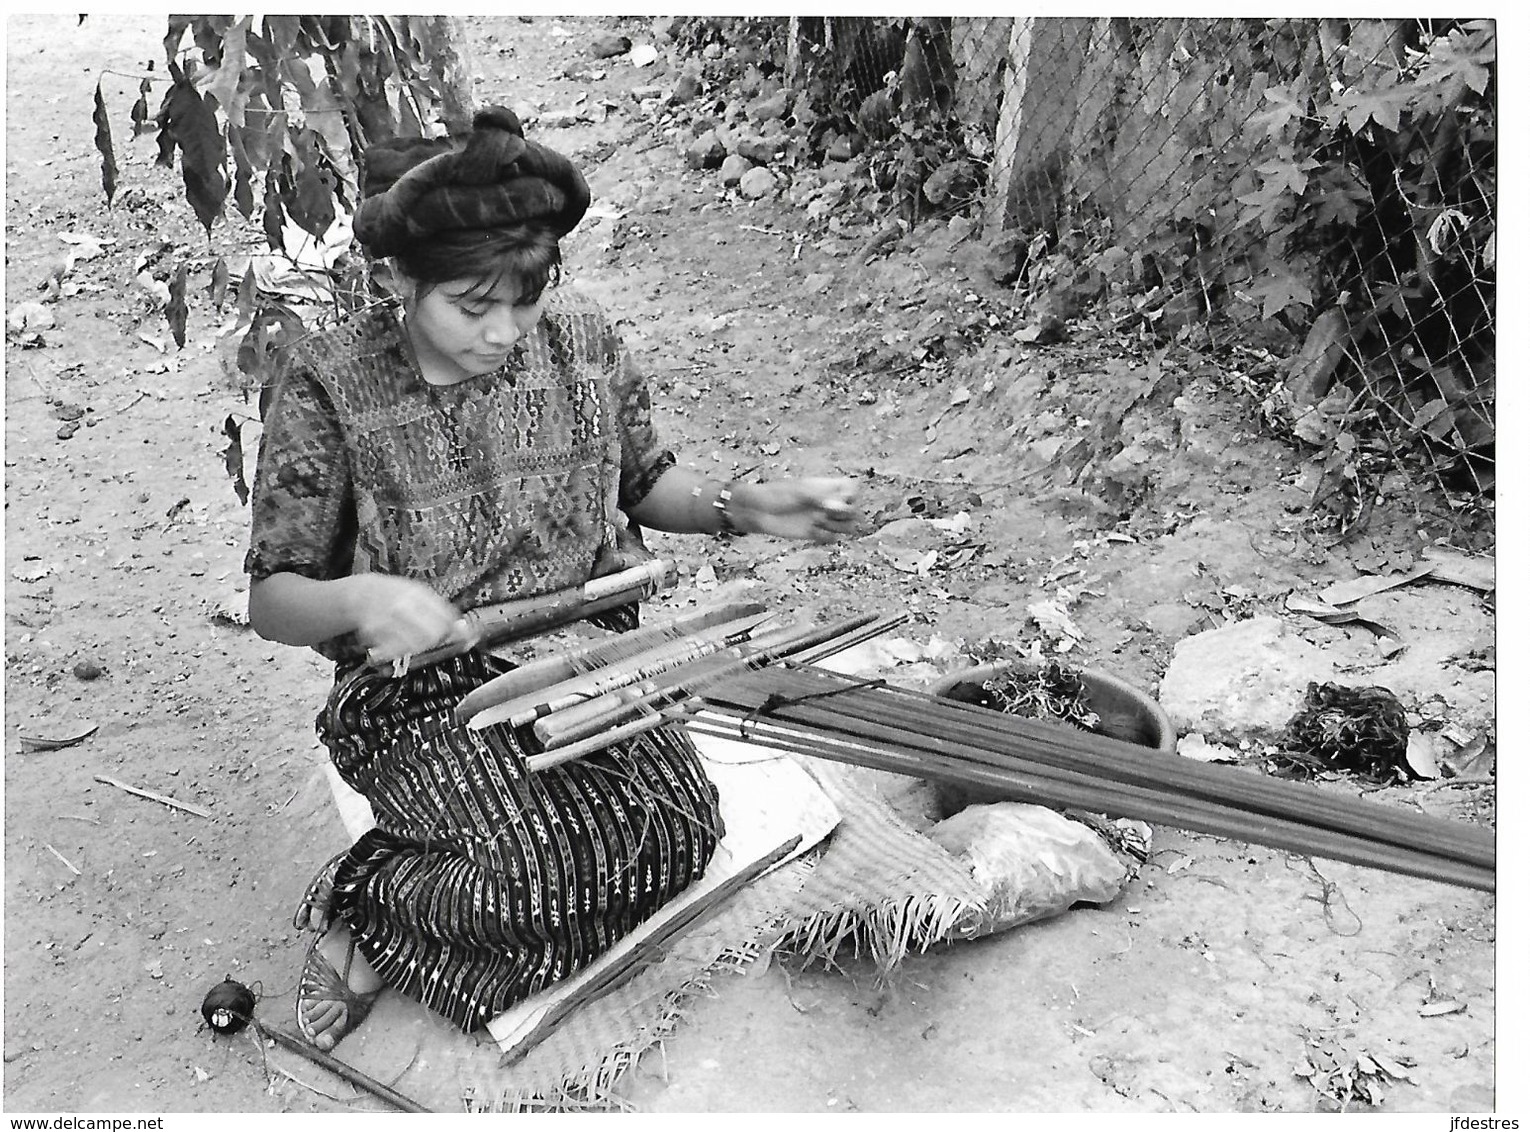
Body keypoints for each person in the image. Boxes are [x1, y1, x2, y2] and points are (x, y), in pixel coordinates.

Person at [243, 106, 861, 1051]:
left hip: (580, 654)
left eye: (524, 300)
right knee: (532, 872)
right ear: (397, 279)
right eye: (471, 305)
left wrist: (751, 506)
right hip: (417, 693)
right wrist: (369, 600)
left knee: (677, 832)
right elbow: (274, 599)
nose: (504, 331)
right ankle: (370, 905)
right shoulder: (332, 384)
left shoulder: (579, 336)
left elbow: (647, 485)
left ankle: (439, 909)